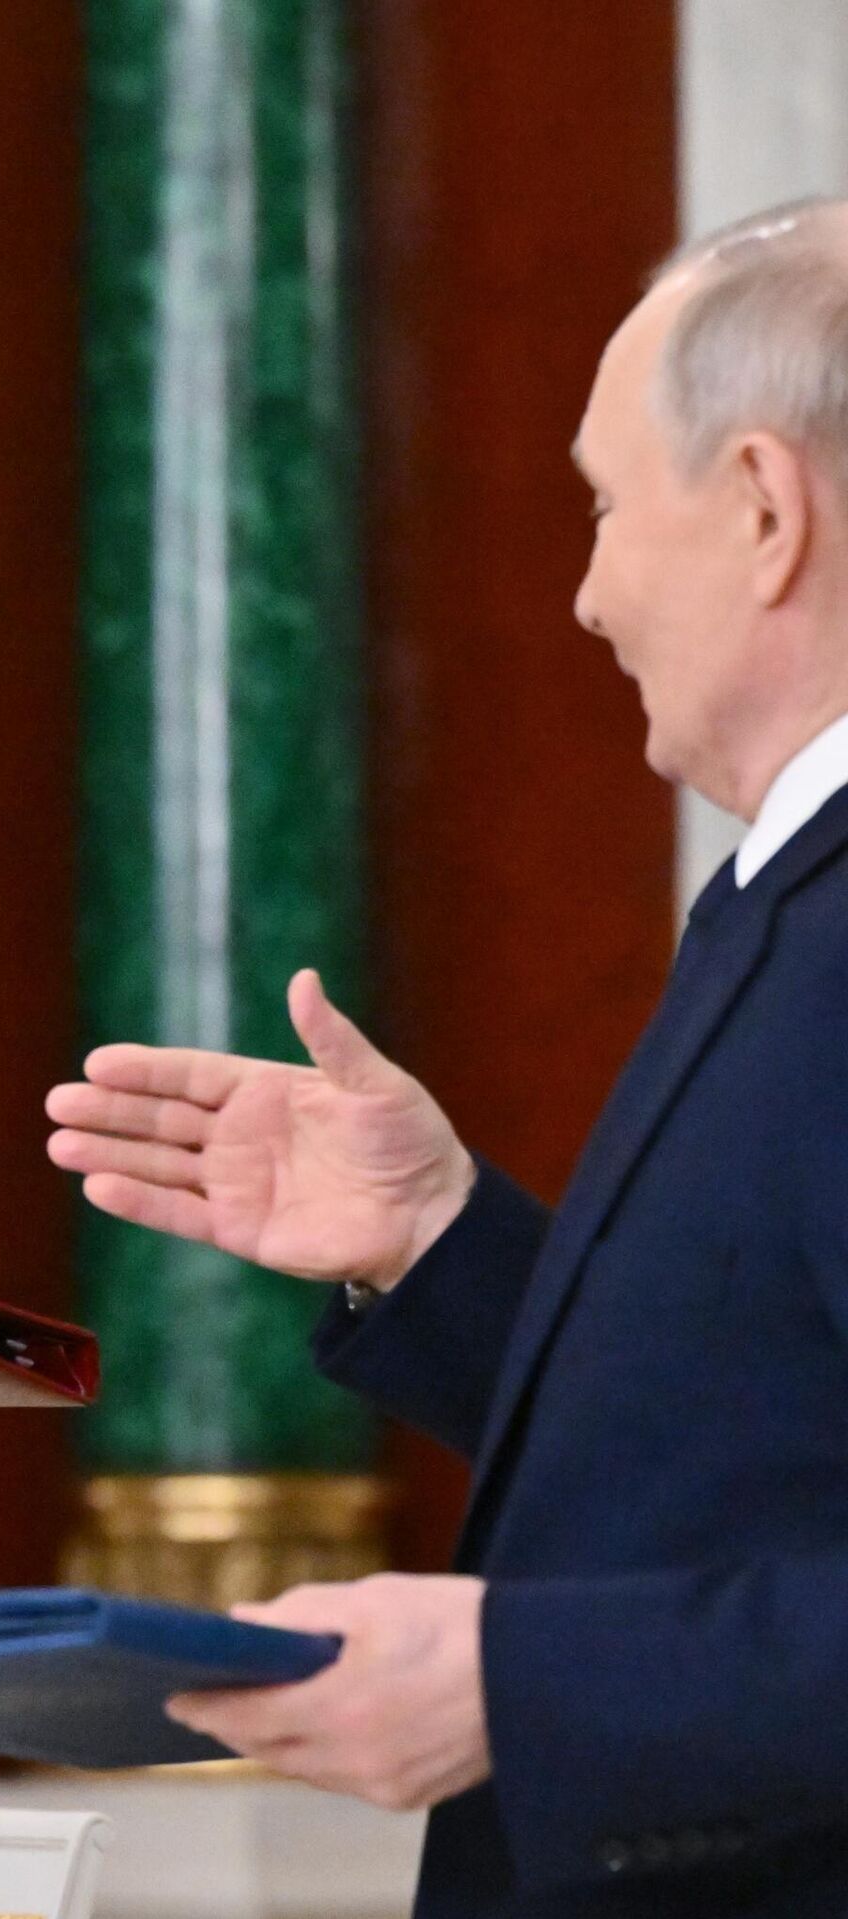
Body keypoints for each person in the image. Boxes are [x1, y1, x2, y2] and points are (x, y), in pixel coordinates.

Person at [48, 198, 848, 1916]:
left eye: (607, 505)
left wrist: (512, 1688)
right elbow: (745, 1455)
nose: (588, 595)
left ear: (767, 510)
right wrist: (439, 1242)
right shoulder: (783, 895)